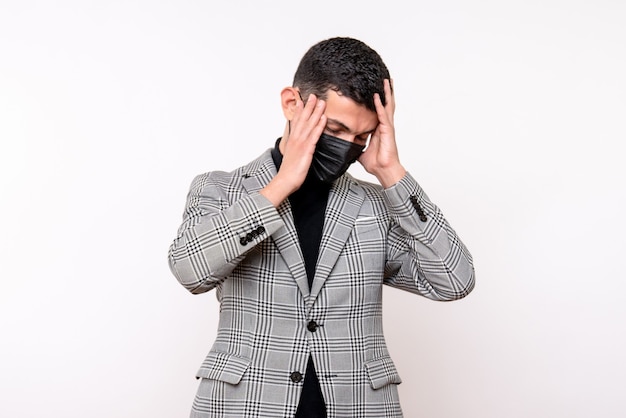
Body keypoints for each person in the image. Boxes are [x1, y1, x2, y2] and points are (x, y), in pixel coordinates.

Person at [168, 36, 475, 418]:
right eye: (334, 129)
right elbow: (189, 270)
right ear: (292, 104)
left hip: (359, 407)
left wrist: (391, 173)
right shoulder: (220, 189)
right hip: (246, 406)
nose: (347, 147)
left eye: (360, 137)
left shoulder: (377, 206)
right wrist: (280, 186)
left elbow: (454, 280)